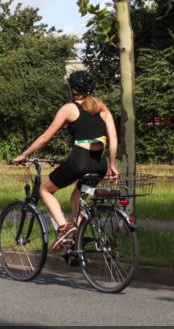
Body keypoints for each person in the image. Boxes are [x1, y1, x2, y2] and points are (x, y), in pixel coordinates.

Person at [12, 70, 119, 252]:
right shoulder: (103, 109)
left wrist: (24, 154)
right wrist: (113, 165)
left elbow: (46, 137)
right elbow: (114, 139)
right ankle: (75, 238)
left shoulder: (69, 108)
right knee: (76, 200)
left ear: (72, 89)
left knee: (44, 189)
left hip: (79, 161)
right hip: (100, 164)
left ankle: (64, 228)